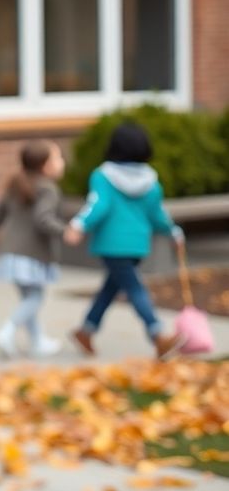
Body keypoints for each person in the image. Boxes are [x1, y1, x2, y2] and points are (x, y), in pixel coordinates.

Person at [64, 121, 185, 360]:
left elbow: (98, 205)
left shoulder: (103, 176)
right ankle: (157, 334)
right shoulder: (151, 181)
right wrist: (173, 231)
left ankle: (86, 330)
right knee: (133, 287)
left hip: (112, 244)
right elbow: (157, 214)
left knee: (112, 288)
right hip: (137, 245)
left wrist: (79, 224)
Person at [0, 140, 68, 358]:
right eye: (57, 158)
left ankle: (37, 342)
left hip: (11, 253)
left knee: (29, 298)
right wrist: (65, 231)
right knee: (34, 298)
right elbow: (43, 219)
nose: (62, 162)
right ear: (45, 166)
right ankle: (7, 331)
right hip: (31, 255)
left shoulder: (17, 184)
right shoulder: (48, 189)